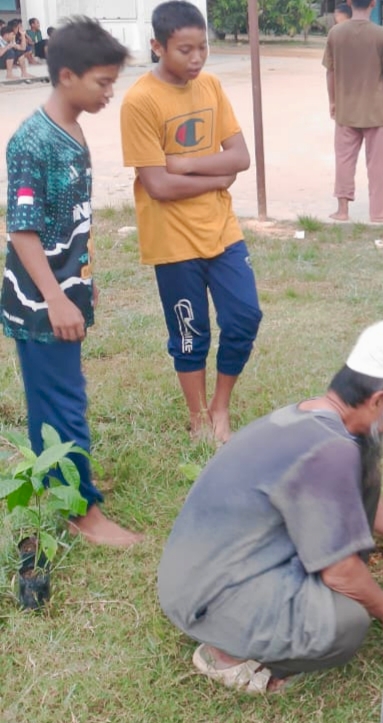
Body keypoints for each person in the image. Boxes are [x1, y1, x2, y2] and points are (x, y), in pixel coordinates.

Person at [158, 321, 383, 693]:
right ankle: (225, 653)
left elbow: (348, 495)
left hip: (204, 569)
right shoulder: (329, 451)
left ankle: (252, 618)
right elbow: (340, 573)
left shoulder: (314, 420)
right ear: (379, 399)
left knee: (366, 470)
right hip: (206, 595)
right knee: (346, 624)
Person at [2, 17, 141, 547]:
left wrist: (83, 281)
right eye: (102, 82)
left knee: (63, 395)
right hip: (40, 304)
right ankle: (78, 512)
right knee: (59, 401)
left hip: (66, 292)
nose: (110, 92)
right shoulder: (32, 143)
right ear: (66, 76)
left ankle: (62, 489)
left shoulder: (73, 129)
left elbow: (71, 224)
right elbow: (23, 231)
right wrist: (57, 298)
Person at [120, 1, 262, 445]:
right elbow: (157, 187)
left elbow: (240, 157)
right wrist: (215, 175)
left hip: (222, 232)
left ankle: (221, 406)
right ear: (157, 47)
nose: (197, 58)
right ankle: (199, 417)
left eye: (203, 47)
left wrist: (183, 164)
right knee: (189, 333)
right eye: (185, 50)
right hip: (172, 241)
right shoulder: (139, 101)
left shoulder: (212, 87)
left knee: (244, 317)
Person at [323, 0, 383, 224]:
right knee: (380, 164)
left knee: (344, 160)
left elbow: (330, 73)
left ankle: (342, 210)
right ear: (374, 4)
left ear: (349, 3)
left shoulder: (336, 34)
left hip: (346, 109)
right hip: (376, 111)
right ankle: (382, 212)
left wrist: (333, 101)